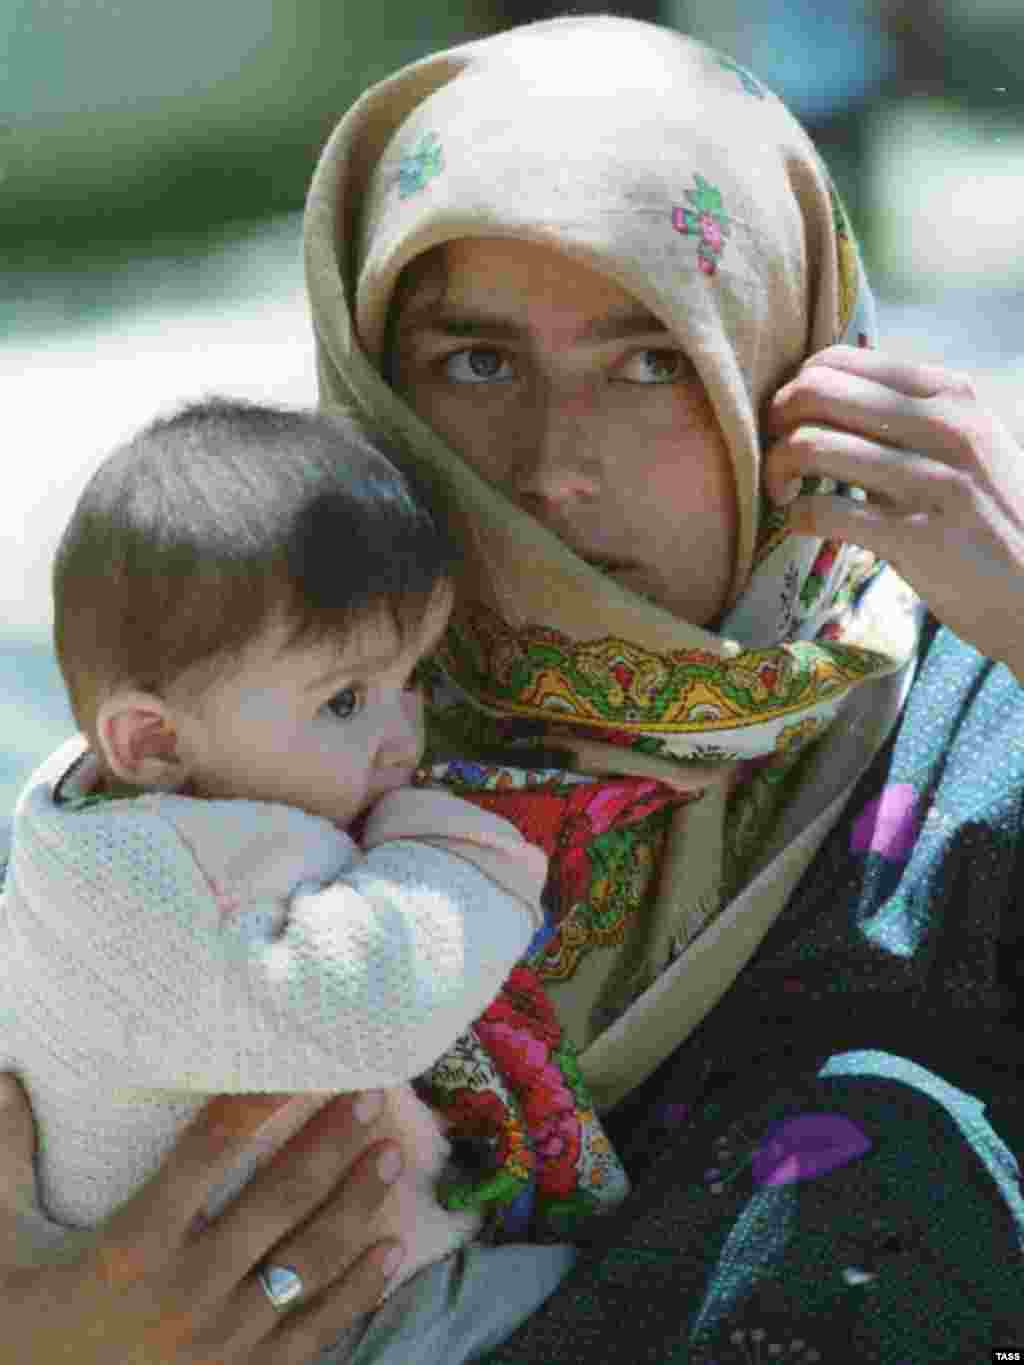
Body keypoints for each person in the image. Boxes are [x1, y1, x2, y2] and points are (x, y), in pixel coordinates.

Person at [3, 13, 1024, 1363]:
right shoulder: (219, 748)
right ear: (373, 386)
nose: (557, 467)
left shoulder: (969, 730)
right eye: (474, 362)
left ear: (786, 368)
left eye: (654, 360)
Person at [0, 397, 594, 1361]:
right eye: (348, 700)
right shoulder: (172, 901)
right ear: (153, 739)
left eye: (415, 682)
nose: (405, 737)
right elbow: (366, 1000)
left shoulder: (98, 826)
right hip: (321, 1324)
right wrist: (460, 861)